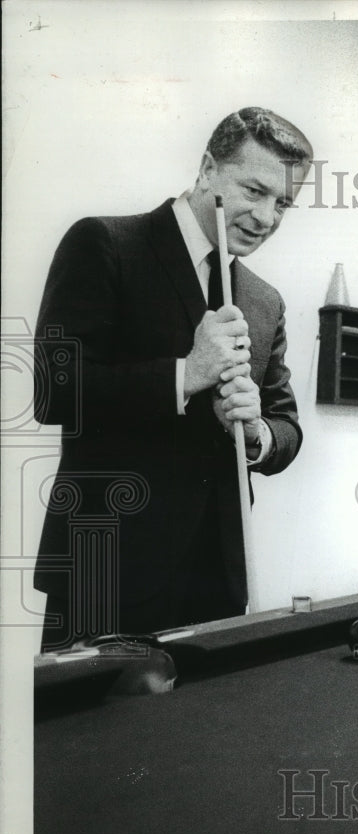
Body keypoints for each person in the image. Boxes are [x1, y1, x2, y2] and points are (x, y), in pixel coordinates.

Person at [33, 107, 313, 650]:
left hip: (218, 578)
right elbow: (53, 391)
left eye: (282, 203)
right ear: (207, 169)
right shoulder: (106, 243)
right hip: (105, 570)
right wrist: (187, 374)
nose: (266, 217)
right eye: (254, 191)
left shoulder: (264, 301)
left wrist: (256, 432)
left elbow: (286, 427)